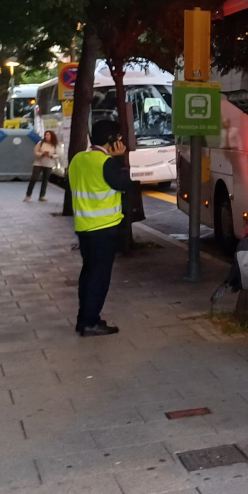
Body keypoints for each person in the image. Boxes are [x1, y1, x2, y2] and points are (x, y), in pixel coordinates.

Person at [71, 120, 136, 336]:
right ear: (110, 141)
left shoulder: (78, 159)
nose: (120, 142)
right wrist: (119, 160)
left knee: (88, 274)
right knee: (99, 277)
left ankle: (84, 319)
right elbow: (125, 183)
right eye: (118, 138)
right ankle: (90, 322)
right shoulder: (106, 163)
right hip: (104, 228)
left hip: (84, 226)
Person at [26, 131, 59, 202]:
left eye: (48, 135)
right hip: (39, 163)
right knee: (34, 178)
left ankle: (42, 196)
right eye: (46, 135)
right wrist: (41, 154)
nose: (47, 136)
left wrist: (52, 156)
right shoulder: (40, 143)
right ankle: (28, 195)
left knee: (45, 180)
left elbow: (58, 154)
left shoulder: (55, 145)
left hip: (49, 164)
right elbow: (35, 152)